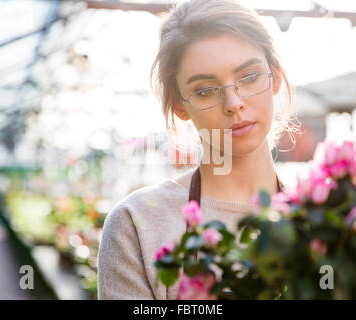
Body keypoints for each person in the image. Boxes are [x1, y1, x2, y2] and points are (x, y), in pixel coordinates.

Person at [98, 0, 299, 300]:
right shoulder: (137, 224)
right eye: (205, 90)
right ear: (180, 105)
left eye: (248, 77)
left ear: (276, 77)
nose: (233, 103)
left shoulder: (327, 219)